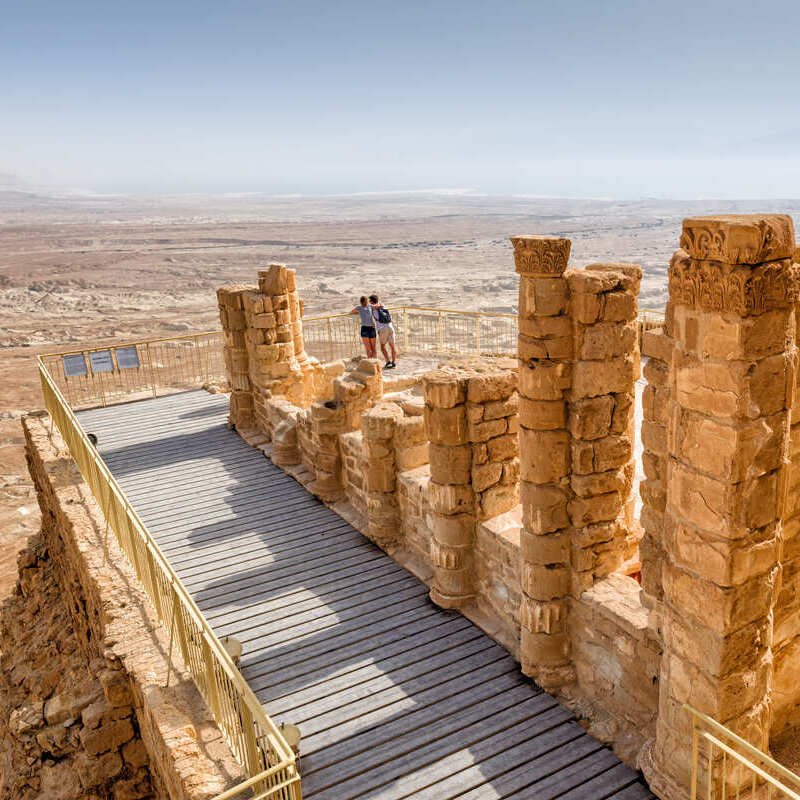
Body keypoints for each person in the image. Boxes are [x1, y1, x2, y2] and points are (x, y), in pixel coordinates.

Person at [369, 294, 397, 369]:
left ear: (371, 301)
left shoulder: (372, 308)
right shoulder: (383, 306)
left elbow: (369, 307)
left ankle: (388, 362)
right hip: (390, 327)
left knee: (382, 347)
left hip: (382, 329)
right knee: (392, 346)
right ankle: (394, 363)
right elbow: (379, 306)